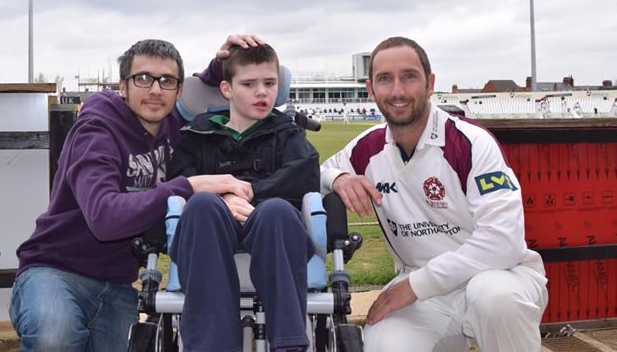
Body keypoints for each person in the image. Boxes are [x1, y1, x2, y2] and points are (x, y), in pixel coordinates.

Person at [9, 34, 262, 352]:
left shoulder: (175, 128)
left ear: (178, 90)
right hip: (55, 270)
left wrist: (220, 66)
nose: (155, 90)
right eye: (143, 78)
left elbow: (207, 94)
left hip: (118, 283)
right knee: (54, 338)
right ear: (123, 86)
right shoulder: (96, 131)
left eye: (166, 80)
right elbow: (105, 218)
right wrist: (188, 187)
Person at [320, 36, 548, 352]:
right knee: (383, 345)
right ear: (371, 89)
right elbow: (316, 172)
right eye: (385, 79)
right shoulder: (366, 148)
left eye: (409, 77)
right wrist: (337, 177)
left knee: (496, 299)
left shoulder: (470, 142)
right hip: (424, 292)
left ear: (430, 83)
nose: (397, 91)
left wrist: (416, 285)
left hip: (499, 275)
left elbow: (503, 241)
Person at [168, 43, 320, 352]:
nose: (262, 92)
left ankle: (289, 344)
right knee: (202, 205)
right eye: (249, 84)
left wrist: (250, 192)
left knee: (276, 210)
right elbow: (179, 181)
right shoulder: (198, 134)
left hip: (272, 228)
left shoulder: (288, 133)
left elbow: (304, 175)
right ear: (226, 88)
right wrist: (224, 195)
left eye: (270, 83)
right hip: (211, 227)